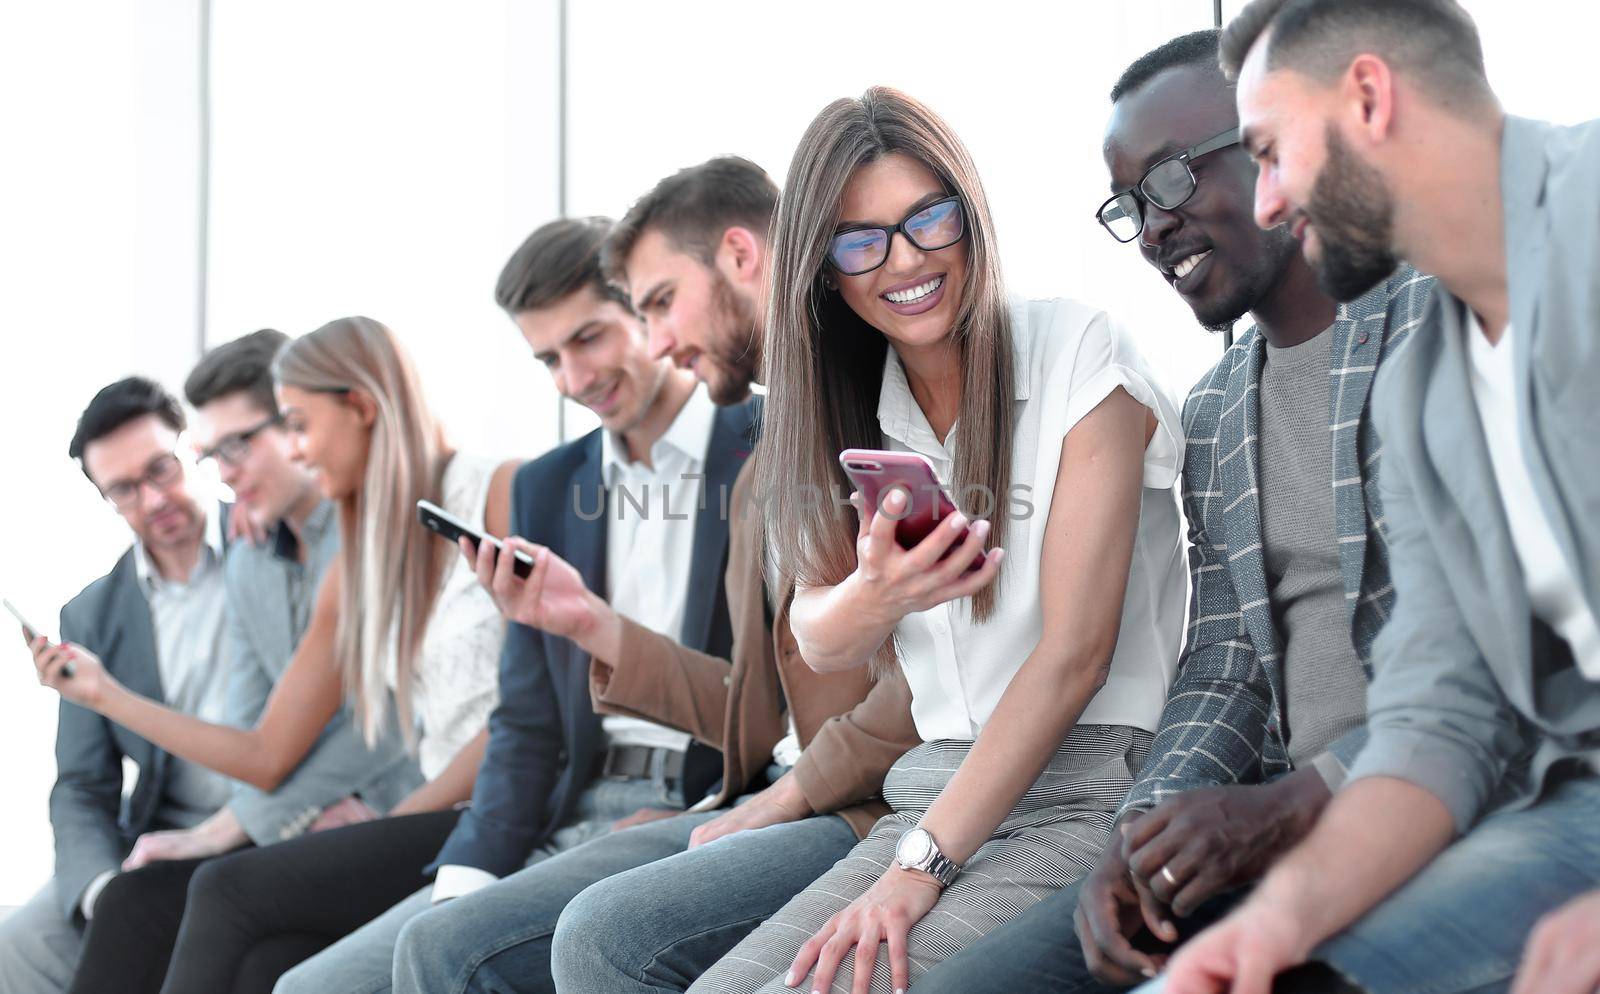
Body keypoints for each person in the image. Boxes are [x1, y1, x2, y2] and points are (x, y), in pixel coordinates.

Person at [914, 29, 1435, 994]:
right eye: (1129, 203)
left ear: (1276, 146)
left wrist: (1292, 803)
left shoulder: (1444, 331)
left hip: (1431, 811)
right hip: (1267, 834)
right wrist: (1141, 832)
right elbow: (1226, 667)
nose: (1152, 229)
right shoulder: (1214, 409)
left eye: (1171, 180)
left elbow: (1495, 660)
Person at [680, 86, 1186, 994]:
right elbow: (817, 635)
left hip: (1092, 783)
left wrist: (917, 871)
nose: (905, 260)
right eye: (861, 240)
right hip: (934, 790)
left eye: (929, 219)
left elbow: (1075, 658)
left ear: (970, 215)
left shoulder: (1078, 351)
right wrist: (877, 595)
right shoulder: (855, 404)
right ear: (824, 268)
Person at [1149, 2, 1600, 993]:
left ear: (1367, 95)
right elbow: (1441, 716)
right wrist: (1271, 923)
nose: (1266, 201)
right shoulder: (1423, 387)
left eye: (1268, 151)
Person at [395, 168, 922, 994]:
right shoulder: (770, 468)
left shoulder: (872, 420)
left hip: (846, 804)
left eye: (657, 305)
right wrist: (588, 624)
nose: (656, 341)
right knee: (435, 947)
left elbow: (927, 693)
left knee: (569, 943)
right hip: (773, 790)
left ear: (741, 257)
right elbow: (756, 708)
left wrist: (777, 800)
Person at [274, 214, 761, 993]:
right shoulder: (549, 485)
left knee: (446, 956)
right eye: (549, 360)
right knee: (313, 987)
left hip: (708, 797)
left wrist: (701, 807)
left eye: (590, 339)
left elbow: (793, 697)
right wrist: (468, 869)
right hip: (576, 805)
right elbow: (528, 717)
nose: (574, 380)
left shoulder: (763, 439)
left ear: (647, 310)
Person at [31, 317, 513, 994]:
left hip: (405, 806)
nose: (224, 475)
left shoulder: (400, 524)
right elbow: (260, 742)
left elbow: (393, 722)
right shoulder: (260, 555)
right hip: (324, 821)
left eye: (239, 446)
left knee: (225, 900)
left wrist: (233, 826)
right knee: (178, 920)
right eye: (214, 455)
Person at [0, 378, 233, 994]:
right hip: (158, 839)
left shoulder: (273, 551)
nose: (153, 499)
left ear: (193, 450)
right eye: (124, 490)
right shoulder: (91, 616)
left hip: (265, 825)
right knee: (19, 944)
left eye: (162, 468)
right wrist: (102, 892)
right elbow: (81, 785)